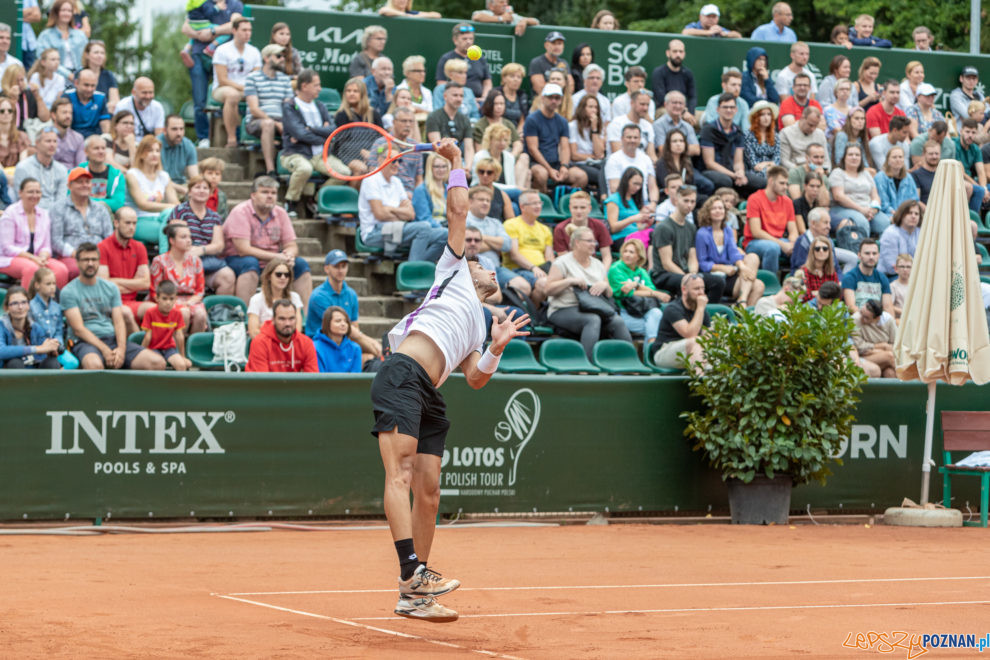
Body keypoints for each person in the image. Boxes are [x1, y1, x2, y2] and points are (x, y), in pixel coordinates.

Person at [370, 139, 529, 623]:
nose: (486, 266)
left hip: (431, 393)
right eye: (483, 262)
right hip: (402, 374)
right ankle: (411, 570)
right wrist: (457, 163)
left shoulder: (480, 323)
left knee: (431, 490)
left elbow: (475, 380)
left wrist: (496, 348)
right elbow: (459, 212)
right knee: (397, 474)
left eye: (489, 267)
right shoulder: (454, 268)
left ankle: (413, 594)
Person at [61, 241, 164, 370]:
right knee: (94, 365)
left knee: (157, 363)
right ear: (77, 262)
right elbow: (78, 329)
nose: (90, 263)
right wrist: (104, 349)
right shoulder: (68, 291)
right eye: (86, 260)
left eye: (94, 259)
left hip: (112, 339)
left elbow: (119, 321)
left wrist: (121, 349)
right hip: (84, 342)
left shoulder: (111, 288)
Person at [545, 226, 632, 359]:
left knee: (617, 321)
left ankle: (630, 363)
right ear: (577, 243)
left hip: (594, 307)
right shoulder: (561, 262)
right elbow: (548, 290)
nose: (594, 245)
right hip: (564, 308)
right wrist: (569, 281)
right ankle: (586, 365)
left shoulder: (598, 264)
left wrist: (605, 285)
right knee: (592, 320)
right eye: (590, 241)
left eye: (594, 241)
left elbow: (609, 294)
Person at [224, 176, 312, 304]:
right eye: (265, 192)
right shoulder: (240, 212)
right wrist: (277, 257)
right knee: (250, 263)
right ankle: (245, 316)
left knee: (301, 265)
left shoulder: (281, 213)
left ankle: (305, 317)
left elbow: (292, 245)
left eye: (273, 193)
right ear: (253, 195)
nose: (270, 196)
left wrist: (289, 256)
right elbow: (243, 249)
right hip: (239, 259)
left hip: (272, 260)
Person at [358, 159, 448, 262]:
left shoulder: (397, 182)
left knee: (445, 235)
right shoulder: (371, 180)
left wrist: (390, 209)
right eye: (393, 161)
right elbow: (380, 214)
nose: (396, 164)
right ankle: (413, 272)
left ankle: (417, 267)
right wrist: (400, 211)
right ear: (381, 160)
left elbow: (411, 214)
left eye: (399, 161)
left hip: (399, 228)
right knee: (423, 227)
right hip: (374, 233)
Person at [281, 69, 341, 216]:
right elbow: (299, 133)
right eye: (316, 85)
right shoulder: (290, 105)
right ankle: (291, 202)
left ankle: (316, 199)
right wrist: (323, 135)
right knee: (305, 169)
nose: (320, 89)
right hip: (296, 153)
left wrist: (311, 129)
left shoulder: (320, 105)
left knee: (344, 173)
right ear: (304, 86)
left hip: (321, 155)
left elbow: (333, 130)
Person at [650, 185, 725, 302]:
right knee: (688, 285)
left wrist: (693, 274)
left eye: (692, 201)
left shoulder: (691, 227)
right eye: (686, 201)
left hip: (684, 272)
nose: (689, 205)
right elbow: (667, 263)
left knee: (718, 282)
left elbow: (692, 256)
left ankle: (705, 314)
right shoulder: (664, 227)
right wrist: (689, 278)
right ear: (676, 200)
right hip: (664, 275)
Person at [306, 248, 383, 358]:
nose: (340, 270)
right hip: (322, 345)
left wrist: (371, 343)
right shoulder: (318, 296)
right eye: (336, 266)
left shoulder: (351, 294)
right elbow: (345, 330)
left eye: (343, 266)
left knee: (370, 357)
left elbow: (355, 328)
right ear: (327, 269)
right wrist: (373, 345)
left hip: (343, 341)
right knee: (373, 356)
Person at [164, 175, 235, 295]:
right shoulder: (180, 211)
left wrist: (201, 250)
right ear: (190, 192)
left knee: (228, 276)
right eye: (197, 187)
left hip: (207, 259)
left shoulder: (214, 216)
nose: (202, 191)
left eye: (205, 188)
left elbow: (218, 245)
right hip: (184, 256)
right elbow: (177, 238)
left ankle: (218, 311)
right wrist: (192, 251)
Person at [0, 178, 70, 288]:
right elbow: (7, 248)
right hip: (8, 259)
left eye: (38, 192)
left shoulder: (44, 214)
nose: (35, 195)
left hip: (37, 258)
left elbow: (46, 246)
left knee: (61, 270)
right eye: (30, 191)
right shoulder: (10, 213)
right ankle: (27, 303)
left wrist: (42, 256)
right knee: (32, 268)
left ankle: (54, 303)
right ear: (20, 193)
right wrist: (32, 258)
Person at [695, 195, 763, 305]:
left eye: (720, 208)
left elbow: (733, 252)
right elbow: (703, 263)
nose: (718, 211)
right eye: (714, 208)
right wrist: (723, 268)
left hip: (731, 274)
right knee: (757, 284)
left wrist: (742, 267)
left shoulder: (727, 230)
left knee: (754, 262)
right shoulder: (702, 233)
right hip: (715, 278)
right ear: (708, 212)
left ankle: (743, 301)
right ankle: (742, 303)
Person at [51, 166, 112, 281]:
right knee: (79, 269)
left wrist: (97, 255)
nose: (84, 185)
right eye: (79, 182)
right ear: (69, 186)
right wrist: (76, 254)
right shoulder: (58, 208)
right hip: (72, 255)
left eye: (87, 182)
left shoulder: (101, 208)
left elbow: (109, 237)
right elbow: (56, 240)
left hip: (99, 254)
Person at [96, 206, 150, 332]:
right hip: (110, 303)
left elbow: (146, 283)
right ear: (116, 223)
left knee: (157, 311)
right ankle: (140, 349)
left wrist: (115, 281)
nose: (131, 227)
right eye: (127, 223)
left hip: (132, 301)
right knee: (126, 313)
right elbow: (104, 285)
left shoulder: (139, 247)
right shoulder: (102, 247)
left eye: (134, 223)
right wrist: (134, 284)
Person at [524, 83, 585, 193]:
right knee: (541, 175)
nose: (554, 101)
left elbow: (565, 147)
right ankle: (544, 203)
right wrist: (549, 169)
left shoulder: (562, 121)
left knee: (581, 177)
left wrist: (564, 166)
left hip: (556, 164)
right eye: (550, 97)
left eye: (557, 98)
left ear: (561, 100)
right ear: (543, 98)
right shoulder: (532, 120)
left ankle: (562, 202)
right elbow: (533, 149)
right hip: (536, 164)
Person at [150, 222, 208, 335]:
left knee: (201, 314)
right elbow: (154, 291)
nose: (189, 240)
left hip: (191, 300)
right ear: (172, 240)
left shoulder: (196, 261)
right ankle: (176, 347)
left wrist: (189, 302)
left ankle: (193, 347)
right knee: (183, 313)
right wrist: (173, 302)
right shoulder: (159, 261)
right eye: (183, 237)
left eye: (190, 237)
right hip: (167, 300)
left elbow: (200, 291)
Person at [608, 237, 668, 345]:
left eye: (631, 252)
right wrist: (653, 293)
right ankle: (650, 356)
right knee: (655, 330)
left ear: (638, 256)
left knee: (656, 313)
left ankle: (648, 355)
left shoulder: (641, 272)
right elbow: (628, 292)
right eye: (625, 251)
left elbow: (651, 290)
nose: (627, 254)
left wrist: (636, 285)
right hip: (624, 312)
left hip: (644, 309)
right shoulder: (616, 268)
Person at [244, 43, 293, 177]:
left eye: (283, 56)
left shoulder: (285, 79)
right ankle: (271, 170)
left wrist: (287, 123)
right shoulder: (252, 78)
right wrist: (277, 123)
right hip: (257, 120)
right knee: (268, 124)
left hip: (281, 119)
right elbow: (254, 109)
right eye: (278, 56)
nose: (282, 59)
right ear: (266, 58)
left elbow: (289, 106)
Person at [211, 18, 261, 148]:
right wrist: (242, 87)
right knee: (233, 95)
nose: (247, 33)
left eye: (249, 30)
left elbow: (256, 75)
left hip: (247, 89)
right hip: (223, 89)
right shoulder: (222, 50)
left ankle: (256, 140)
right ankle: (232, 138)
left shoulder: (254, 51)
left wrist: (247, 88)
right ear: (234, 30)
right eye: (244, 30)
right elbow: (222, 79)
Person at [700, 93, 760, 195]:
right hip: (712, 172)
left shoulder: (738, 131)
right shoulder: (708, 130)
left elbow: (738, 161)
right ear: (718, 109)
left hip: (732, 171)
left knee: (761, 183)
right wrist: (733, 175)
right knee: (725, 181)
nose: (729, 110)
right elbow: (709, 163)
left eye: (732, 107)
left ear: (736, 110)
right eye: (725, 107)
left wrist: (740, 172)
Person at [649, 273, 710, 371]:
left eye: (703, 288)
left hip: (692, 350)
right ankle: (701, 381)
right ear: (684, 290)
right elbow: (689, 334)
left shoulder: (702, 311)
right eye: (696, 289)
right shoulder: (672, 308)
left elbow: (707, 337)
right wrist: (700, 309)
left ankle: (703, 380)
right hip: (664, 352)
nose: (701, 292)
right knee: (696, 341)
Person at [502, 188, 553, 303]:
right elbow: (514, 254)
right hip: (517, 269)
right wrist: (533, 268)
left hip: (542, 270)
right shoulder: (511, 224)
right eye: (534, 203)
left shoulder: (545, 229)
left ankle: (538, 313)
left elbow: (549, 257)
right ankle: (534, 316)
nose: (538, 206)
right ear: (522, 207)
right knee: (544, 283)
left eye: (539, 203)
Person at [743, 166, 797, 271]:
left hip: (779, 241)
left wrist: (793, 243)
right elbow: (756, 232)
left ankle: (795, 282)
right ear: (771, 181)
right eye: (782, 183)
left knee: (802, 247)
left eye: (787, 183)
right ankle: (771, 284)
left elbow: (793, 231)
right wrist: (782, 244)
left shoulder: (788, 201)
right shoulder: (755, 199)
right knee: (773, 248)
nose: (785, 187)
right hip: (755, 242)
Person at [829, 144, 888, 237]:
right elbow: (838, 196)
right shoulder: (838, 173)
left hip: (867, 208)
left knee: (884, 222)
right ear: (844, 157)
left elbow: (875, 195)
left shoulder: (865, 174)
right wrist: (861, 210)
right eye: (850, 154)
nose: (854, 157)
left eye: (857, 155)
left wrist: (874, 209)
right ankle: (862, 250)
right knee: (861, 223)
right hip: (845, 208)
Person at [246, 298, 318, 373]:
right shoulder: (260, 342)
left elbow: (312, 380)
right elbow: (261, 381)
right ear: (273, 320)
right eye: (282, 319)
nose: (287, 323)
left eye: (291, 318)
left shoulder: (306, 343)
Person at [125, 135, 178, 231]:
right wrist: (170, 207)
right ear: (141, 154)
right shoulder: (132, 174)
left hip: (159, 218)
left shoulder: (164, 176)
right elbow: (143, 204)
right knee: (171, 231)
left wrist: (172, 207)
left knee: (171, 218)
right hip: (138, 219)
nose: (155, 154)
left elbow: (175, 203)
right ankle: (164, 246)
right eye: (150, 151)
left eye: (157, 151)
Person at [0, 285, 61, 369]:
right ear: (6, 307)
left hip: (33, 372)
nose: (20, 307)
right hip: (8, 373)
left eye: (24, 302)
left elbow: (42, 353)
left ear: (28, 305)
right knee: (15, 362)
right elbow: (1, 351)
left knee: (52, 362)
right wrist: (35, 349)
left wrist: (50, 350)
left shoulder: (35, 327)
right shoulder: (1, 326)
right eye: (15, 303)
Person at [140, 280, 192, 371]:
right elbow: (148, 337)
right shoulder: (150, 313)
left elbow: (179, 336)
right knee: (159, 365)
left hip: (169, 348)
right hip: (153, 348)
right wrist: (141, 353)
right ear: (157, 298)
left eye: (171, 299)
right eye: (164, 298)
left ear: (175, 299)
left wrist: (182, 356)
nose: (168, 302)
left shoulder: (177, 314)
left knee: (182, 365)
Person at [791, 205, 857, 276]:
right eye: (825, 223)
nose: (829, 227)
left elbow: (836, 267)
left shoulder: (829, 240)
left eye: (829, 223)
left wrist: (841, 282)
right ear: (813, 223)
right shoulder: (802, 242)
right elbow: (799, 269)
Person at [247, 257, 302, 338]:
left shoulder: (295, 297)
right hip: (265, 345)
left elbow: (297, 329)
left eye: (287, 275)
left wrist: (264, 326)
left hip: (288, 344)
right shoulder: (256, 299)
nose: (283, 278)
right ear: (269, 276)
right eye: (278, 274)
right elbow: (253, 332)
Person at [605, 123, 658, 207]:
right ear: (622, 139)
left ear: (640, 139)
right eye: (629, 137)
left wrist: (653, 203)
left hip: (644, 203)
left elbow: (652, 186)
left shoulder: (646, 159)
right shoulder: (614, 159)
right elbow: (614, 188)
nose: (632, 140)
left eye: (635, 137)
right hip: (622, 205)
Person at [14, 128, 67, 209]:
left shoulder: (62, 169)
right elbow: (21, 199)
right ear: (37, 143)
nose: (52, 145)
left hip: (56, 215)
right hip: (31, 214)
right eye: (48, 141)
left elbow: (62, 200)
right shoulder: (23, 168)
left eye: (55, 141)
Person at [435, 23, 491, 101]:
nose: (468, 42)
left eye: (471, 39)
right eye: (464, 39)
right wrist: (466, 100)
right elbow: (441, 85)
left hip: (480, 101)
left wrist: (484, 98)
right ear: (455, 40)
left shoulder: (480, 58)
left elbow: (487, 82)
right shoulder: (446, 59)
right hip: (458, 101)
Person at [425, 82, 474, 167]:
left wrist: (467, 168)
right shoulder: (433, 117)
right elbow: (438, 147)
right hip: (437, 164)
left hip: (456, 160)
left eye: (461, 96)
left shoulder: (465, 119)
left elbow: (469, 148)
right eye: (455, 95)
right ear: (445, 96)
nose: (459, 99)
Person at [28, 266, 70, 362]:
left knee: (73, 363)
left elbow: (59, 331)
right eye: (48, 284)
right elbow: (31, 333)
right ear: (37, 285)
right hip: (39, 349)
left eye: (54, 284)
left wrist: (57, 343)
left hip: (55, 348)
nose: (52, 287)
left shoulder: (57, 307)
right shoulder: (30, 306)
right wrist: (45, 346)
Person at [842, 238, 892, 315]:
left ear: (878, 256)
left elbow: (888, 307)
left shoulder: (882, 278)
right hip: (859, 318)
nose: (871, 257)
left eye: (874, 253)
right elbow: (851, 307)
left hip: (878, 318)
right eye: (867, 253)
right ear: (859, 255)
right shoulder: (850, 277)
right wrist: (870, 318)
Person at [656, 128, 711, 200]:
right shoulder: (661, 163)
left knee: (705, 198)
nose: (678, 144)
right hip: (669, 197)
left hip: (686, 195)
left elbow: (692, 184)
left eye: (681, 141)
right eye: (674, 141)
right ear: (668, 144)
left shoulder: (687, 161)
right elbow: (666, 185)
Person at [567, 95, 605, 193]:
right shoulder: (572, 126)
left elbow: (599, 154)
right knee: (600, 175)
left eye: (596, 107)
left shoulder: (598, 127)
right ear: (582, 108)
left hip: (594, 163)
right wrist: (592, 157)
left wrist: (594, 129)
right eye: (590, 107)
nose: (593, 110)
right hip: (578, 164)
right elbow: (574, 155)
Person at [36, 0, 87, 73]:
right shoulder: (45, 36)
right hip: (54, 77)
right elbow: (42, 58)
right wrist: (67, 74)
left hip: (79, 77)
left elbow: (87, 57)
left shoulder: (80, 35)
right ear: (56, 13)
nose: (66, 13)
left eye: (69, 11)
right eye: (63, 10)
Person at [606, 167, 654, 243]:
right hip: (621, 238)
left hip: (636, 237)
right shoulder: (613, 200)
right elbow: (613, 228)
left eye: (640, 185)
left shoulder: (633, 200)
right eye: (635, 183)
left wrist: (647, 224)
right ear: (626, 181)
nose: (637, 188)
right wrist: (633, 219)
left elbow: (635, 228)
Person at [79, 134, 126, 213]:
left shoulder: (117, 175)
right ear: (86, 152)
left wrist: (88, 202)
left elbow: (118, 203)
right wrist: (104, 202)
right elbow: (72, 199)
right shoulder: (77, 173)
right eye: (96, 148)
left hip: (108, 215)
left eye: (103, 148)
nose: (101, 151)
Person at [953, 118, 990, 216]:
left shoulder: (975, 149)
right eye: (967, 132)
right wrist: (980, 188)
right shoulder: (954, 145)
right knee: (979, 190)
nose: (970, 135)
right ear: (961, 131)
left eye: (973, 133)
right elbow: (961, 173)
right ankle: (972, 219)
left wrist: (984, 188)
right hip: (957, 179)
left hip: (971, 181)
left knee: (984, 189)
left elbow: (981, 172)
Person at [852, 298, 896, 378]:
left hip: (876, 354)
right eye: (861, 312)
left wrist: (876, 350)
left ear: (877, 318)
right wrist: (883, 346)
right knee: (890, 356)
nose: (861, 318)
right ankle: (912, 382)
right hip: (863, 356)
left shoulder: (889, 320)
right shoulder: (855, 319)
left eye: (866, 318)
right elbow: (859, 346)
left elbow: (895, 344)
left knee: (890, 373)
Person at [650, 40, 696, 115]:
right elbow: (661, 99)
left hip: (685, 109)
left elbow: (692, 97)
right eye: (675, 51)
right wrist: (683, 111)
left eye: (681, 52)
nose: (678, 54)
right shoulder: (658, 72)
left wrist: (690, 113)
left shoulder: (688, 73)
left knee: (703, 117)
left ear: (684, 54)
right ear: (668, 53)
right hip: (664, 110)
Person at [607, 91, 656, 160]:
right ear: (632, 103)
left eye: (647, 105)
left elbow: (651, 154)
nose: (645, 108)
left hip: (643, 165)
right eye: (642, 104)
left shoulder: (648, 126)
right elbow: (616, 152)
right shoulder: (617, 123)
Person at [157, 115, 199, 197]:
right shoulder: (156, 145)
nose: (179, 133)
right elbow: (159, 178)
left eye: (181, 129)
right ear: (165, 130)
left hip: (181, 185)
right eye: (174, 129)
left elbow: (194, 177)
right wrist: (182, 189)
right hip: (159, 186)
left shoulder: (188, 145)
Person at [313, 306, 362, 373]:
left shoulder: (355, 348)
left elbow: (356, 379)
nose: (343, 324)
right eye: (338, 321)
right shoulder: (315, 347)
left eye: (346, 321)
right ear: (327, 323)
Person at [779, 106, 829, 172]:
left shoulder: (820, 134)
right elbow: (784, 161)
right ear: (802, 118)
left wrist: (824, 170)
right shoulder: (786, 133)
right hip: (795, 172)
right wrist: (802, 170)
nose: (813, 129)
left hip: (818, 173)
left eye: (815, 126)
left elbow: (826, 161)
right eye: (810, 125)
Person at [873, 146, 918, 219]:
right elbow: (883, 203)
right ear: (888, 160)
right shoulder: (880, 177)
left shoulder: (908, 177)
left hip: (907, 215)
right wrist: (896, 215)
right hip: (887, 214)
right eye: (894, 157)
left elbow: (914, 199)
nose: (898, 160)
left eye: (900, 157)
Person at [878, 200, 921, 276]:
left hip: (914, 276)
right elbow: (891, 267)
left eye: (916, 214)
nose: (913, 216)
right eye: (909, 213)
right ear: (901, 215)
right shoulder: (890, 233)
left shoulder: (920, 233)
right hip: (891, 277)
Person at [63, 68, 109, 138]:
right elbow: (65, 123)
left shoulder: (101, 98)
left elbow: (105, 123)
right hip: (73, 137)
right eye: (86, 85)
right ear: (76, 83)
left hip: (95, 138)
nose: (89, 89)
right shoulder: (67, 97)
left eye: (93, 86)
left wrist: (106, 138)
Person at [744, 101, 781, 188]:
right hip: (755, 172)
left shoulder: (775, 135)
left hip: (772, 168)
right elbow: (753, 163)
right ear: (756, 117)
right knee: (766, 175)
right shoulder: (748, 135)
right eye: (762, 114)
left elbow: (777, 158)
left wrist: (766, 164)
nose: (766, 118)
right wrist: (768, 164)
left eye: (769, 114)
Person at [654, 92, 700, 157]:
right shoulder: (658, 125)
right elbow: (662, 150)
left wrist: (673, 148)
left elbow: (696, 150)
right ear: (665, 105)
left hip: (685, 164)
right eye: (674, 103)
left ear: (684, 106)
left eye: (680, 103)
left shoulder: (687, 126)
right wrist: (686, 147)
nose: (678, 106)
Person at [786, 145, 830, 212]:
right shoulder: (795, 172)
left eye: (822, 157)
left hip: (815, 210)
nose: (819, 161)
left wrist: (820, 178)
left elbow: (824, 203)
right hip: (797, 211)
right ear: (807, 158)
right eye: (816, 157)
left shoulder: (822, 176)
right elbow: (797, 200)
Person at [798, 235, 840, 302]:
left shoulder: (832, 272)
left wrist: (815, 293)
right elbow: (805, 296)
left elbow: (837, 296)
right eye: (817, 249)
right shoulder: (803, 271)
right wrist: (826, 295)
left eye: (825, 248)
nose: (821, 251)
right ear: (812, 252)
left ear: (829, 252)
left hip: (828, 307)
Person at [413, 153, 450, 225]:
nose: (441, 170)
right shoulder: (421, 190)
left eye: (444, 166)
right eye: (437, 167)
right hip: (431, 230)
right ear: (430, 168)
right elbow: (424, 218)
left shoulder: (449, 189)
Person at [528, 31, 569, 97]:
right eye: (553, 43)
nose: (557, 46)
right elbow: (540, 88)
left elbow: (570, 86)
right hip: (541, 103)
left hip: (561, 102)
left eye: (559, 43)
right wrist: (560, 83)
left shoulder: (564, 63)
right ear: (546, 45)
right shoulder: (537, 62)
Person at [834, 107, 875, 171]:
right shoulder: (842, 136)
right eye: (856, 118)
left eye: (862, 118)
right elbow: (839, 160)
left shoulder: (861, 138)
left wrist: (867, 169)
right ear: (849, 120)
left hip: (859, 171)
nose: (860, 121)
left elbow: (864, 160)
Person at [472, 157, 513, 221]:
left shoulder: (503, 195)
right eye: (481, 171)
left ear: (496, 174)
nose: (485, 175)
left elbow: (510, 220)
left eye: (489, 172)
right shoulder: (469, 192)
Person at [50, 98, 85, 170]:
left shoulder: (78, 138)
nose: (68, 116)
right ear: (53, 115)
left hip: (72, 178)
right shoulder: (45, 136)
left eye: (70, 113)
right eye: (64, 112)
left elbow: (81, 166)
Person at [493, 62, 529, 130]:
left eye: (519, 77)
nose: (516, 80)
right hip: (498, 130)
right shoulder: (495, 93)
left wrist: (519, 133)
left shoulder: (522, 96)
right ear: (504, 78)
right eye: (512, 76)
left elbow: (523, 118)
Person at [0, 96, 30, 174]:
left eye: (10, 111)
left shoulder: (22, 136)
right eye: (2, 111)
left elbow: (23, 163)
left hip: (17, 174)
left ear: (13, 114)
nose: (6, 113)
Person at [472, 0, 537, 35]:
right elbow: (477, 17)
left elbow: (536, 21)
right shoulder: (486, 13)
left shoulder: (510, 16)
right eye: (501, 2)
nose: (505, 4)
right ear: (491, 6)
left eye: (506, 2)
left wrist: (524, 21)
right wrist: (501, 18)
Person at [911, 139, 942, 208]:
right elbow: (916, 201)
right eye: (931, 154)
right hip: (926, 213)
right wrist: (930, 213)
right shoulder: (916, 175)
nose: (934, 156)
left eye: (937, 154)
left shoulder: (944, 174)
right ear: (924, 154)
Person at [889, 252, 912, 318]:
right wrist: (905, 312)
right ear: (896, 269)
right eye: (902, 266)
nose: (905, 269)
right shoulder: (892, 286)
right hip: (899, 319)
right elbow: (890, 306)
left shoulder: (916, 287)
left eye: (908, 267)